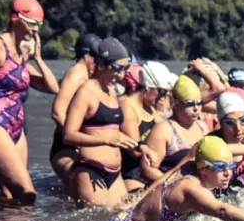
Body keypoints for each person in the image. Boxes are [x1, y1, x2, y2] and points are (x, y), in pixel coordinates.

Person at [0, 0, 59, 205]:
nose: (36, 30)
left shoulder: (24, 52)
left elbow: (53, 87)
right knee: (27, 193)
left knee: (10, 195)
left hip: (17, 129)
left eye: (39, 25)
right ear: (15, 18)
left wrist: (39, 59)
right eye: (32, 24)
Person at [105, 136, 244, 221]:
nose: (228, 172)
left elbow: (167, 175)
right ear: (203, 168)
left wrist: (139, 197)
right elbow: (222, 210)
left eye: (230, 165)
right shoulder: (191, 189)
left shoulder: (190, 164)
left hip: (125, 217)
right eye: (220, 167)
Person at [63, 38, 149, 209]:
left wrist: (140, 146)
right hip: (91, 170)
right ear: (101, 65)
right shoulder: (85, 92)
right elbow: (69, 135)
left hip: (114, 173)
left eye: (125, 68)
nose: (122, 75)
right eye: (117, 68)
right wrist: (106, 140)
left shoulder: (111, 91)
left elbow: (113, 131)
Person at [49, 32, 101, 185]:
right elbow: (58, 112)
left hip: (78, 147)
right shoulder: (76, 75)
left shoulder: (88, 76)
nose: (98, 62)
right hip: (66, 148)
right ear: (86, 55)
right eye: (95, 57)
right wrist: (78, 140)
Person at [118, 60, 178, 191]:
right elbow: (134, 150)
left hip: (152, 169)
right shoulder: (128, 106)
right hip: (132, 173)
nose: (162, 98)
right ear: (148, 87)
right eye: (162, 92)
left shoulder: (152, 110)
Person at [140, 75, 210, 182]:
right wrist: (175, 184)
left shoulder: (202, 127)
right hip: (172, 191)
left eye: (199, 103)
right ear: (176, 104)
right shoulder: (163, 130)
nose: (196, 109)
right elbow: (148, 169)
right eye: (190, 104)